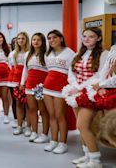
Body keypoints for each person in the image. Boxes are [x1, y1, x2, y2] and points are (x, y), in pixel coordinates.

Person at [62, 28, 108, 167]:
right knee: (81, 126)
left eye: (91, 36)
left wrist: (80, 87)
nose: (87, 39)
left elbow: (100, 75)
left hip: (90, 92)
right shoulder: (78, 54)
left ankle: (95, 161)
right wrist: (75, 86)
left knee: (82, 126)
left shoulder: (104, 54)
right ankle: (87, 155)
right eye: (84, 36)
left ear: (99, 38)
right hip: (76, 92)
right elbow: (71, 73)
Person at [43, 29, 75, 154]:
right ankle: (53, 141)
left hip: (60, 88)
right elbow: (48, 70)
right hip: (47, 87)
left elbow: (72, 72)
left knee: (60, 116)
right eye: (49, 38)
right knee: (51, 115)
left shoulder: (70, 53)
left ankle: (63, 143)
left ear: (61, 38)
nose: (51, 40)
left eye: (54, 37)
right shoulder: (47, 54)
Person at [20, 33, 50, 144]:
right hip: (29, 84)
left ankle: (45, 134)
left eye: (38, 40)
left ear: (43, 42)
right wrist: (22, 83)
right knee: (31, 109)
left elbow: (49, 71)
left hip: (41, 85)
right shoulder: (28, 54)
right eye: (34, 39)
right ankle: (34, 131)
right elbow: (25, 70)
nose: (36, 42)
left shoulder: (46, 54)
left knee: (43, 111)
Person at [8, 32, 30, 136]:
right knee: (18, 103)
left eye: (23, 39)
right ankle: (19, 125)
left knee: (29, 104)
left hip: (27, 80)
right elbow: (10, 66)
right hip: (15, 79)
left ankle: (28, 126)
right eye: (19, 39)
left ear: (26, 40)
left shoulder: (30, 52)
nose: (20, 40)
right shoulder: (12, 53)